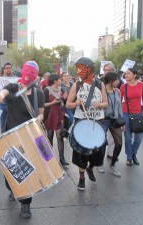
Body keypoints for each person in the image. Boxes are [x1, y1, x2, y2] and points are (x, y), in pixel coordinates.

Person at [0, 61, 44, 218]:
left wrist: (40, 119)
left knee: (27, 169)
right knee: (11, 169)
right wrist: (2, 96)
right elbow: (1, 94)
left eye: (32, 72)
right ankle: (12, 187)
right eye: (27, 71)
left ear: (35, 75)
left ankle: (26, 204)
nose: (28, 74)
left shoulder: (39, 94)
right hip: (11, 134)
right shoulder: (13, 87)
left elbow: (41, 113)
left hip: (29, 136)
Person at [66, 57, 108, 191]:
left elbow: (106, 104)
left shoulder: (100, 85)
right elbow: (68, 104)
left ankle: (91, 167)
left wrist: (100, 104)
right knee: (81, 152)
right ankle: (81, 177)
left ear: (88, 69)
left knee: (99, 151)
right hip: (81, 121)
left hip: (97, 121)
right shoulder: (77, 85)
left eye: (80, 68)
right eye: (77, 68)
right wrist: (76, 103)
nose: (78, 71)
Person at [120, 68, 143, 166]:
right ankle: (129, 158)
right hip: (126, 114)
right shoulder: (123, 86)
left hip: (138, 114)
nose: (126, 75)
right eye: (125, 74)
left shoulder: (140, 85)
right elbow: (119, 100)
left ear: (134, 75)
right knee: (127, 138)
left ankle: (133, 153)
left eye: (129, 73)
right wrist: (119, 115)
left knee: (139, 137)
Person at [43, 74, 69, 166]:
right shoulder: (46, 90)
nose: (61, 81)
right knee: (49, 136)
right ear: (54, 81)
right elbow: (43, 104)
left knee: (60, 136)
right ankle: (49, 158)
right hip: (49, 115)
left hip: (59, 116)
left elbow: (64, 103)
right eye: (59, 79)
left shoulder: (61, 89)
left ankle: (62, 158)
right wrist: (53, 102)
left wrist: (65, 98)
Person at [102, 72, 124, 176]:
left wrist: (121, 120)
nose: (119, 81)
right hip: (104, 120)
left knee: (119, 143)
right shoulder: (102, 92)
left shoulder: (118, 91)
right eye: (117, 79)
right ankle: (99, 163)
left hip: (115, 120)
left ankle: (113, 164)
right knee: (102, 143)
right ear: (111, 81)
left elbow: (119, 107)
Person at [0, 63, 15, 133]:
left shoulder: (16, 79)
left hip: (14, 105)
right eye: (6, 68)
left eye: (9, 68)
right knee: (3, 124)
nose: (8, 69)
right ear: (4, 70)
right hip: (3, 105)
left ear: (12, 69)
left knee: (14, 125)